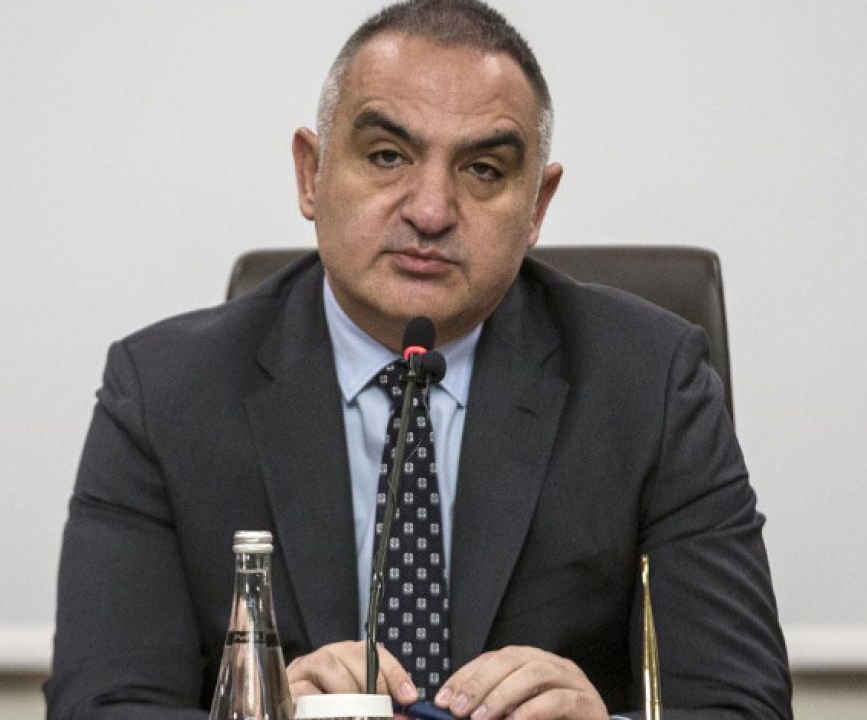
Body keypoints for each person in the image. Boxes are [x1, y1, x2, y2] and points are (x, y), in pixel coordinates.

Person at [44, 1, 792, 718]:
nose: (430, 210)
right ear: (310, 174)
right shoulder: (161, 394)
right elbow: (99, 706)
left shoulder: (652, 385)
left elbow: (742, 704)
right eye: (386, 156)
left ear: (537, 205)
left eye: (484, 171)